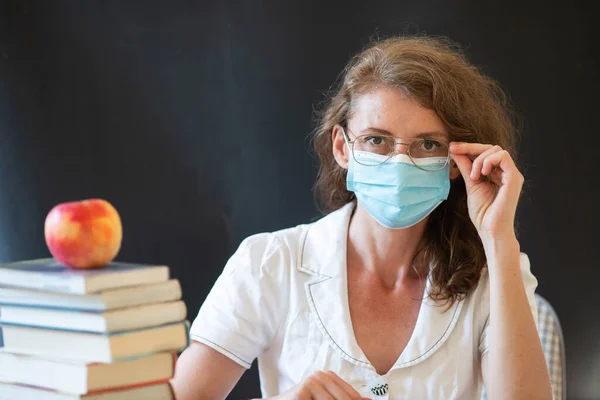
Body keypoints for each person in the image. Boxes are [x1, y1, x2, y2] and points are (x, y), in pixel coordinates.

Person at [171, 36, 552, 400]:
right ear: (342, 147)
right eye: (376, 139)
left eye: (428, 144)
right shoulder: (269, 264)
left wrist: (498, 238)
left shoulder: (494, 277)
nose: (400, 163)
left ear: (454, 164)